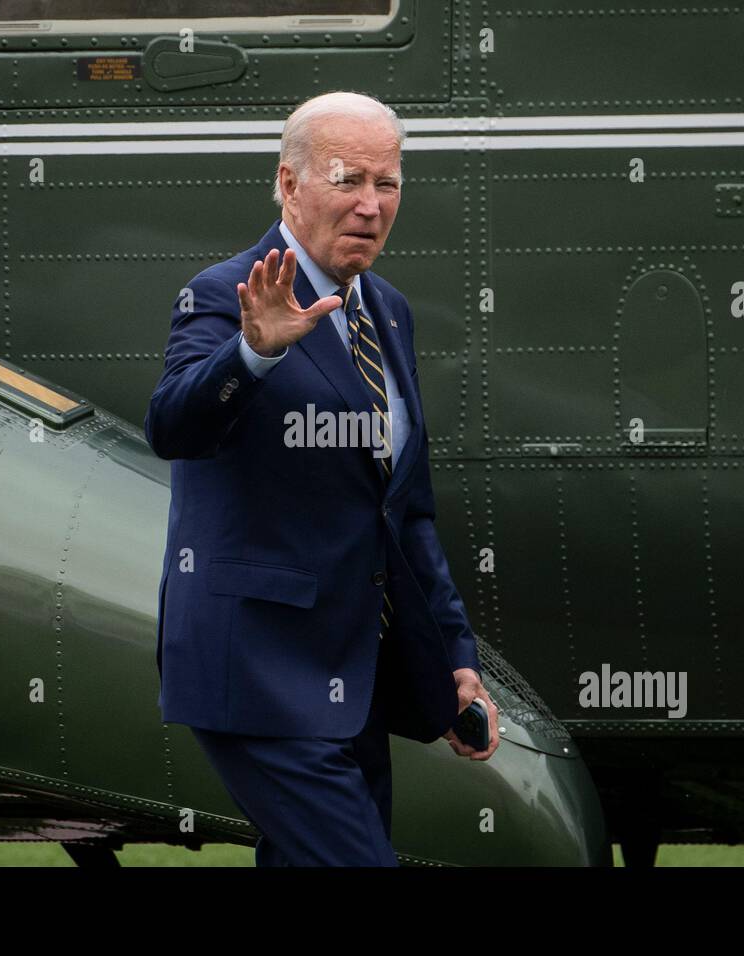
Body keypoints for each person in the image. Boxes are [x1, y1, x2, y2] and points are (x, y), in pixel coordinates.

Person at [144, 90, 499, 867]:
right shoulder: (225, 293)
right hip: (257, 671)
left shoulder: (390, 312)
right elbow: (173, 426)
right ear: (289, 183)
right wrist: (253, 354)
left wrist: (452, 655)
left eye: (389, 183)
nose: (372, 205)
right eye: (348, 180)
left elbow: (404, 513)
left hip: (351, 679)